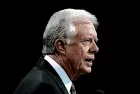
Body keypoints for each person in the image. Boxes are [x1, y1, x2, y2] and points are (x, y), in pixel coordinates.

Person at [13, 8, 99, 94]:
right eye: (87, 41)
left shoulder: (49, 80)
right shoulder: (43, 89)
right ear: (61, 46)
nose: (95, 49)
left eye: (95, 41)